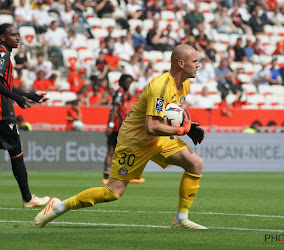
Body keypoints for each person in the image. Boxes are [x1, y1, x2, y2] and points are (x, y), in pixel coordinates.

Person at [32, 44, 207, 230]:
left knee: (195, 163)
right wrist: (182, 130)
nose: (198, 65)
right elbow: (151, 126)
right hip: (135, 141)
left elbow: (167, 115)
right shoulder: (161, 85)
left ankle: (181, 219)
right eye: (195, 61)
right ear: (181, 63)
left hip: (158, 139)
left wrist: (188, 127)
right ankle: (58, 207)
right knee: (112, 192)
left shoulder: (184, 84)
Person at [0, 23, 50, 207]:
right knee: (16, 151)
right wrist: (19, 100)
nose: (17, 38)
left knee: (15, 151)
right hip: (2, 114)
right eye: (12, 35)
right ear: (2, 37)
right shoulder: (3, 54)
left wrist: (31, 96)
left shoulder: (4, 55)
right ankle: (28, 199)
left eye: (18, 34)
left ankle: (28, 198)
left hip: (3, 111)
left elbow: (6, 85)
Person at [102, 74, 145, 185]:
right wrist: (111, 125)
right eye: (127, 82)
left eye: (130, 82)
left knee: (114, 150)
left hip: (119, 126)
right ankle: (127, 174)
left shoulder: (122, 93)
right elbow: (114, 110)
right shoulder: (120, 93)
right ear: (121, 82)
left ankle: (107, 175)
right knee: (127, 149)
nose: (129, 84)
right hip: (118, 127)